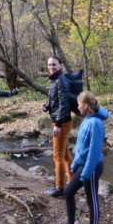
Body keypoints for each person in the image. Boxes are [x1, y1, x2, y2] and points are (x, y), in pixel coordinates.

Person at [59, 91, 107, 224]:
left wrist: (86, 173)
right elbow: (82, 146)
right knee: (68, 191)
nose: (77, 107)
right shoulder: (88, 118)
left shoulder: (96, 123)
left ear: (85, 106)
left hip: (92, 167)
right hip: (84, 164)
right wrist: (75, 164)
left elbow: (94, 151)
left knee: (91, 200)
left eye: (79, 104)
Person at [42, 55, 73, 198]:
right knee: (65, 155)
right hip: (60, 119)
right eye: (49, 65)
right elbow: (56, 100)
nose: (51, 67)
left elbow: (64, 104)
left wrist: (58, 124)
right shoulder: (55, 80)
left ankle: (60, 188)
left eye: (54, 64)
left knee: (58, 156)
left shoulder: (61, 81)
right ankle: (72, 183)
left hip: (62, 121)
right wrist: (47, 106)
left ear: (60, 65)